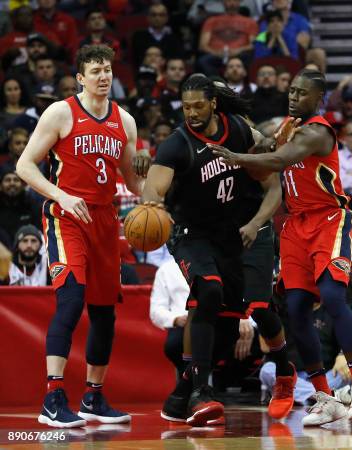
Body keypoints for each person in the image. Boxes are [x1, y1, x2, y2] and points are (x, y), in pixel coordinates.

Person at [212, 69, 352, 426]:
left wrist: (238, 157)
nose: (293, 96)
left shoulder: (318, 132)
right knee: (297, 307)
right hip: (295, 224)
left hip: (328, 218)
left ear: (318, 99)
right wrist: (254, 142)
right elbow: (264, 161)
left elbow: (279, 161)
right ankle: (324, 396)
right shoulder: (287, 125)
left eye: (302, 93)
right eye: (292, 90)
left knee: (333, 297)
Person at [141, 74, 292, 427]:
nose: (191, 113)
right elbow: (153, 189)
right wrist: (151, 204)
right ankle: (201, 392)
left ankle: (184, 391)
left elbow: (273, 186)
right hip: (191, 234)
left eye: (197, 106)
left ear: (212, 104)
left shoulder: (239, 131)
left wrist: (255, 224)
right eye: (185, 106)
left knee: (236, 318)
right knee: (207, 290)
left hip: (236, 233)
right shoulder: (177, 144)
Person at [15, 45, 149, 428]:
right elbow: (25, 165)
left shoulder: (125, 120)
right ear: (80, 78)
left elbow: (134, 181)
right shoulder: (60, 112)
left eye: (107, 70)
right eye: (95, 71)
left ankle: (93, 396)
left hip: (105, 222)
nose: (104, 77)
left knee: (105, 314)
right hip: (66, 216)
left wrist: (151, 178)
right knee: (71, 302)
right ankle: (53, 397)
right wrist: (62, 195)